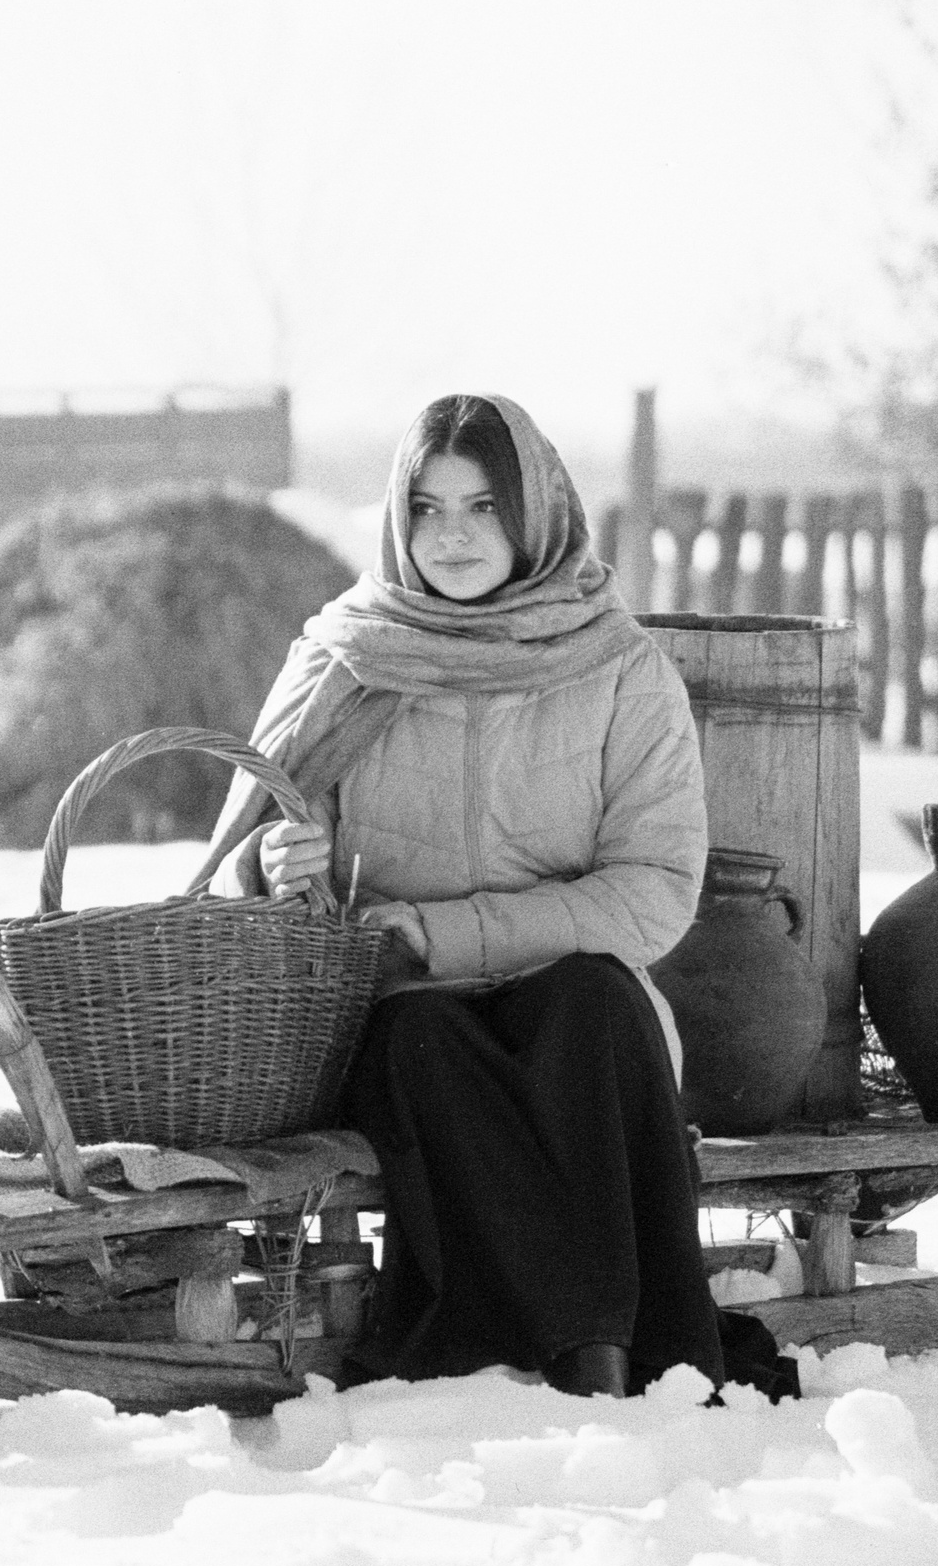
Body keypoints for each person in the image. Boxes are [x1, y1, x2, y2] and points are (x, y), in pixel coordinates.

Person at [197, 391, 726, 1399]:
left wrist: (448, 930)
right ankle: (517, 1350)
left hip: (568, 985)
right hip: (398, 996)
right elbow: (242, 861)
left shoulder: (619, 667)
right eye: (428, 509)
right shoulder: (345, 657)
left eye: (483, 506)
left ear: (536, 514)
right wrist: (272, 866)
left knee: (590, 1009)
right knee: (425, 1044)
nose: (453, 535)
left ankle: (605, 1353)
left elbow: (656, 891)